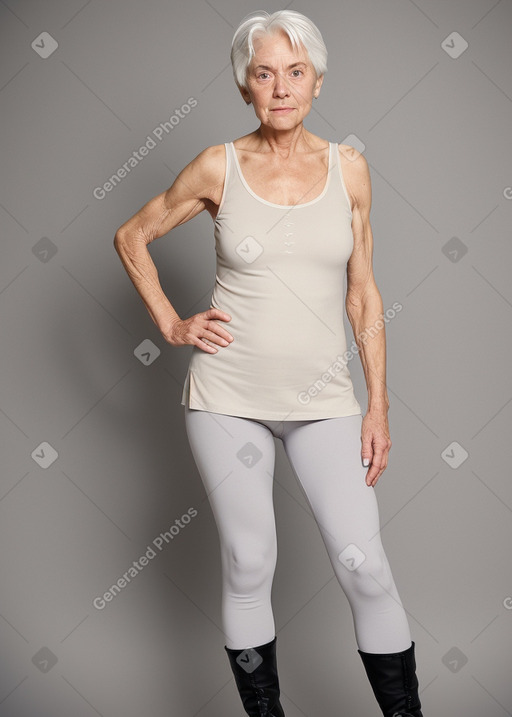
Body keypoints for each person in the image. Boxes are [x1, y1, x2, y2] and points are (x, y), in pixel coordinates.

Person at [113, 9, 424, 717]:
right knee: (249, 562)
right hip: (228, 399)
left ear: (315, 79)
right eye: (264, 74)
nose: (281, 87)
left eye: (295, 71)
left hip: (326, 403)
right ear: (244, 86)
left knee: (365, 565)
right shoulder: (218, 165)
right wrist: (170, 321)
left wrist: (376, 403)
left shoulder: (349, 168)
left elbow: (363, 291)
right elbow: (133, 234)